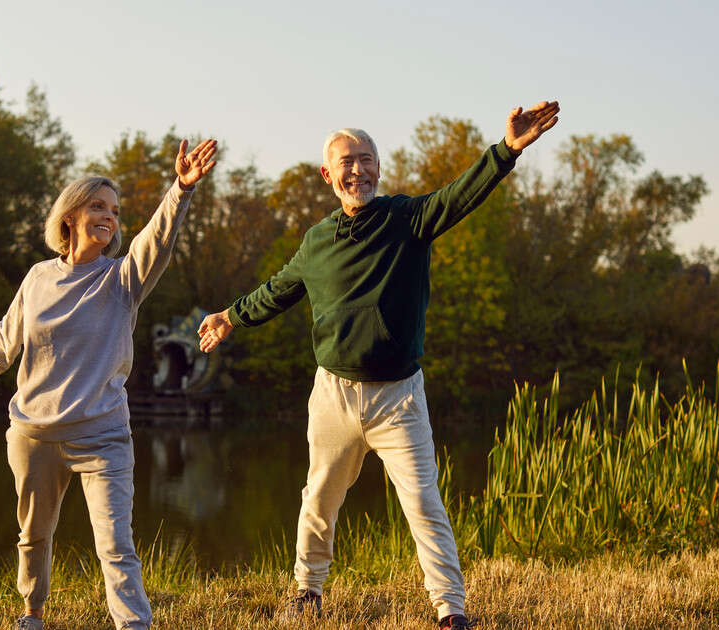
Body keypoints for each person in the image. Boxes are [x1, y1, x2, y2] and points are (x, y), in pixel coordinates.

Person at [198, 102, 560, 630]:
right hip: (333, 396)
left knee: (424, 504)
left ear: (378, 169)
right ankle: (307, 590)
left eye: (366, 160)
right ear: (328, 175)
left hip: (398, 397)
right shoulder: (317, 241)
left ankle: (450, 609)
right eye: (347, 161)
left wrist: (505, 152)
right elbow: (278, 290)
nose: (358, 169)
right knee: (319, 497)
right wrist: (231, 316)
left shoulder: (407, 220)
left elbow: (460, 196)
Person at [0, 138, 218, 630]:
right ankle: (32, 614)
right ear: (70, 216)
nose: (110, 216)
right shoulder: (38, 277)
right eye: (98, 206)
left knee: (115, 543)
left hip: (102, 435)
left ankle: (134, 624)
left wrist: (181, 190)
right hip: (34, 435)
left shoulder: (122, 280)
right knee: (33, 535)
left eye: (115, 211)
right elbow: (7, 335)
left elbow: (157, 240)